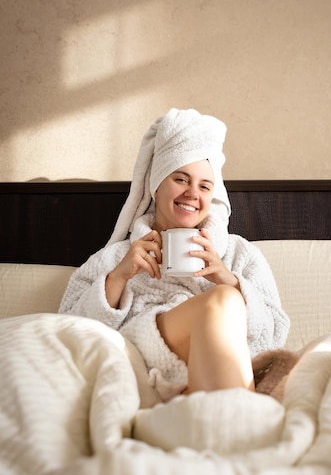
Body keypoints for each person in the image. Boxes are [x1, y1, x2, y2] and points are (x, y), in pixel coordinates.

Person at [59, 108, 290, 402]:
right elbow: (66, 329)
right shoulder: (118, 256)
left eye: (205, 186)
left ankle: (202, 414)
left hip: (218, 375)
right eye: (181, 179)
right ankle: (241, 428)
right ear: (156, 187)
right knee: (222, 300)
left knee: (226, 297)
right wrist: (118, 277)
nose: (193, 193)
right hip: (148, 363)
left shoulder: (241, 254)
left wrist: (228, 280)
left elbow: (275, 332)